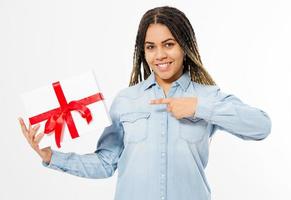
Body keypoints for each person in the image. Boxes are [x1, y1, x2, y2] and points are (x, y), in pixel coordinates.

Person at [19, 6, 271, 200]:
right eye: (151, 47)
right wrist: (51, 156)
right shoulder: (126, 101)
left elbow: (261, 126)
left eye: (169, 44)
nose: (159, 55)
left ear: (184, 47)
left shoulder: (206, 97)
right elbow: (107, 163)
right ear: (143, 51)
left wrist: (198, 107)